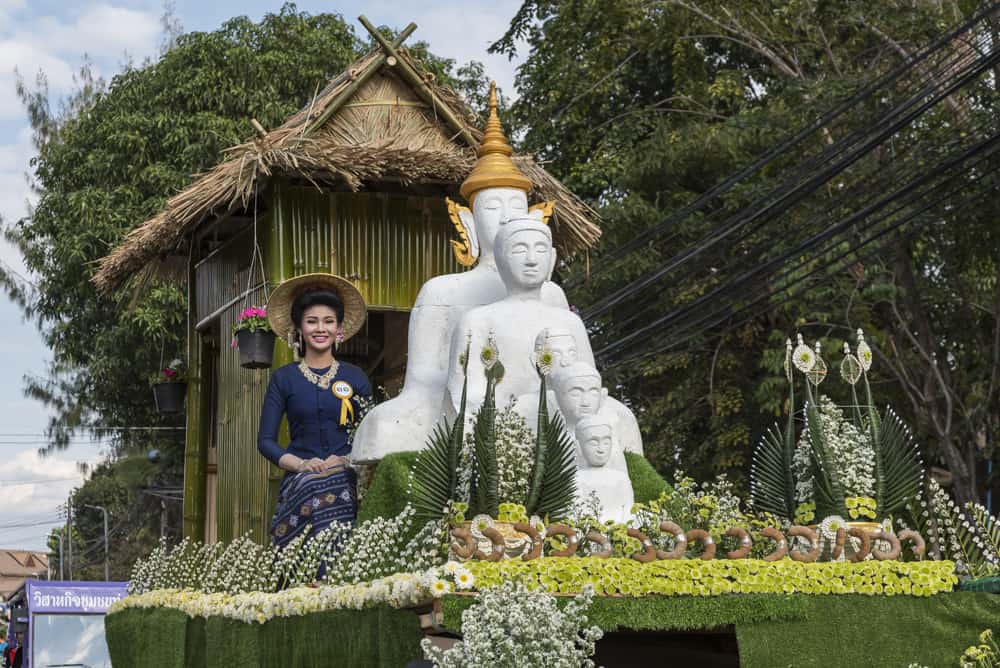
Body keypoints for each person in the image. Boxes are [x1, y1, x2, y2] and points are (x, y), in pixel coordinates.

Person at [258, 273, 373, 548]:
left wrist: (345, 460)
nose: (320, 328)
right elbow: (265, 442)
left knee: (339, 483)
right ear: (299, 328)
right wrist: (301, 465)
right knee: (309, 483)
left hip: (348, 478)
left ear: (339, 329)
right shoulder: (283, 378)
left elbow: (371, 434)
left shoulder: (356, 378)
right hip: (300, 481)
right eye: (312, 321)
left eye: (328, 321)